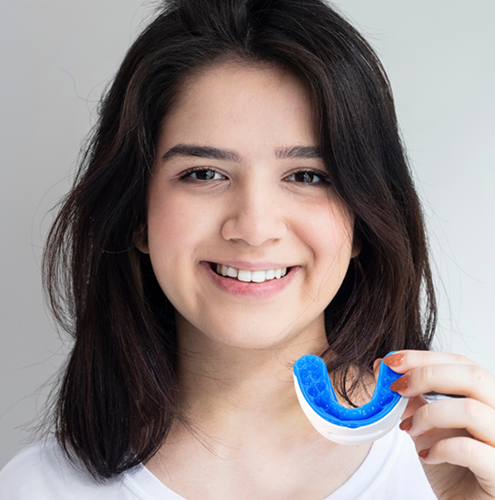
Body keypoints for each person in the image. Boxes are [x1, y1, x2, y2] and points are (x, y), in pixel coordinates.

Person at [1, 0, 494, 498]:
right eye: (203, 174)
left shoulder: (466, 465)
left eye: (307, 176)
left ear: (364, 218)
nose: (254, 228)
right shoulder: (37, 488)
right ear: (137, 215)